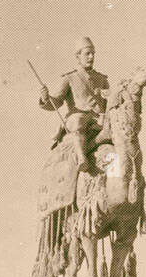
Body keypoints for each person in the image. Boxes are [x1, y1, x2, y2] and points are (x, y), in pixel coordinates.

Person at [38, 36, 111, 174]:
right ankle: (81, 157)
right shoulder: (69, 78)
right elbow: (57, 102)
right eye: (87, 54)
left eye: (93, 54)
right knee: (78, 121)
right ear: (78, 56)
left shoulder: (102, 79)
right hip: (78, 118)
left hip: (98, 119)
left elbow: (108, 103)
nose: (91, 57)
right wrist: (45, 98)